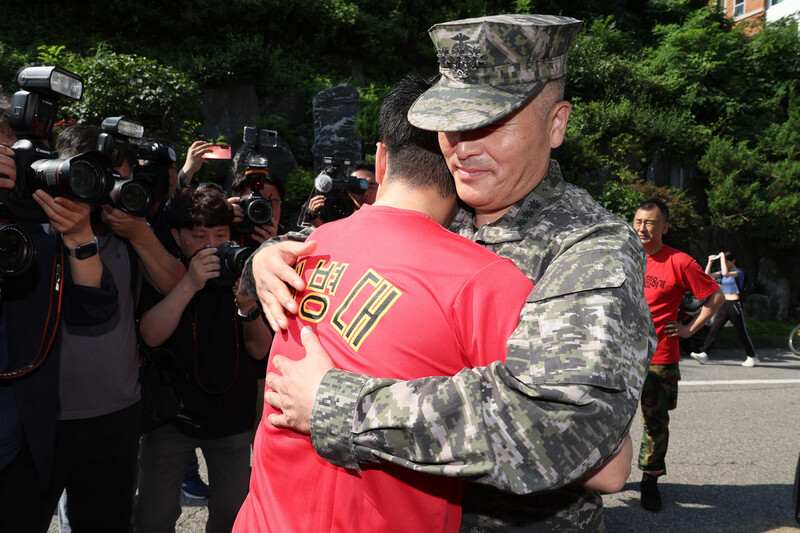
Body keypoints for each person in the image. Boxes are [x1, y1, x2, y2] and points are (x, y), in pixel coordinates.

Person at [244, 14, 656, 531]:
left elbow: (560, 426)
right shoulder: (450, 209)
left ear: (556, 124)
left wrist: (335, 403)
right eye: (452, 123)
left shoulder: (589, 247)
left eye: (492, 123)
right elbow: (351, 248)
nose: (464, 147)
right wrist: (267, 256)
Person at [235, 73, 538, 532]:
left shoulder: (304, 248)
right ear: (463, 164)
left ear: (380, 158)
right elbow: (603, 465)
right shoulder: (487, 281)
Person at [47, 125, 185, 532]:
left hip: (118, 413)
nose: (104, 188)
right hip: (43, 412)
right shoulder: (36, 229)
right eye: (93, 175)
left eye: (116, 176)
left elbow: (176, 285)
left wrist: (139, 232)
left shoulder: (132, 232)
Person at [133, 186, 271, 533]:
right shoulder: (167, 273)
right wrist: (189, 284)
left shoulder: (243, 274)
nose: (211, 245)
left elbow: (259, 350)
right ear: (177, 236)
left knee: (230, 511)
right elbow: (150, 334)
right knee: (153, 514)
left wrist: (248, 309)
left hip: (232, 415)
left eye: (220, 234)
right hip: (171, 415)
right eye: (199, 236)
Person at [0, 136, 119, 532]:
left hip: (23, 441)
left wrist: (79, 236)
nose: (10, 168)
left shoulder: (38, 229)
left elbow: (93, 308)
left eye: (15, 158)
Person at [632, 199, 725, 512]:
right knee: (607, 419)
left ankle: (650, 478)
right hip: (619, 358)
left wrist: (687, 329)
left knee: (654, 424)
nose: (643, 228)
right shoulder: (623, 256)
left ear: (665, 227)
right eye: (638, 221)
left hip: (659, 357)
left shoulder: (680, 262)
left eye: (651, 222)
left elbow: (715, 296)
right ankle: (603, 476)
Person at [690, 251, 759, 367]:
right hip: (724, 304)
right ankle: (704, 354)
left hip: (734, 304)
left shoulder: (739, 272)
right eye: (724, 260)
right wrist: (710, 262)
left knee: (741, 331)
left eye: (727, 261)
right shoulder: (724, 272)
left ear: (733, 261)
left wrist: (721, 257)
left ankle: (752, 357)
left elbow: (726, 273)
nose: (725, 263)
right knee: (714, 329)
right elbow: (706, 276)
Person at [304, 161, 377, 228]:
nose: (365, 193)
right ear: (347, 190)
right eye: (356, 187)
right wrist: (318, 226)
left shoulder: (386, 219)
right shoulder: (337, 218)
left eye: (371, 187)